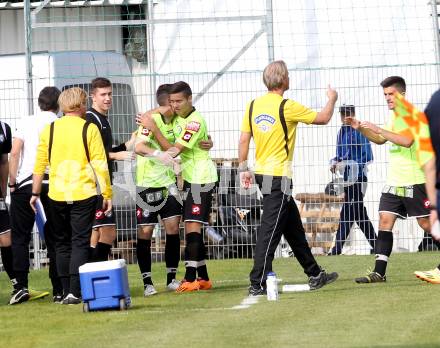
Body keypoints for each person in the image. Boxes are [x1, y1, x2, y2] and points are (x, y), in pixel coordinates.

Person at [238, 60, 339, 296]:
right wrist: (332, 98)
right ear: (284, 80)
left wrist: (244, 168)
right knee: (270, 231)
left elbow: (244, 139)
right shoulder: (287, 106)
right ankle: (258, 282)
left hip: (262, 175)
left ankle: (315, 274)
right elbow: (323, 118)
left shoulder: (253, 106)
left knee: (293, 228)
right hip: (279, 177)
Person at [31, 87, 112, 304]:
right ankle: (75, 292)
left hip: (56, 193)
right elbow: (100, 164)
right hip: (83, 192)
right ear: (81, 105)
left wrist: (35, 192)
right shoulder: (89, 128)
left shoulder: (50, 129)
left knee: (61, 243)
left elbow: (39, 164)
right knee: (79, 242)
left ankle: (64, 290)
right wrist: (107, 192)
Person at [350, 76, 433, 283]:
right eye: (385, 94)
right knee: (385, 220)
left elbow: (406, 141)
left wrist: (379, 129)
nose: (387, 98)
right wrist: (361, 128)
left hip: (414, 181)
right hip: (395, 181)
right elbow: (380, 139)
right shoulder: (394, 116)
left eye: (391, 94)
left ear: (402, 94)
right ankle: (379, 272)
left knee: (426, 224)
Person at [137, 81, 218, 292]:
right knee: (191, 225)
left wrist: (154, 129)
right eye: (172, 102)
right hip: (189, 179)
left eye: (179, 101)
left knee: (192, 225)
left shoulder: (194, 122)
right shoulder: (178, 117)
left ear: (190, 99)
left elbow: (174, 151)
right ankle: (204, 278)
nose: (175, 105)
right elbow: (161, 109)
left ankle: (190, 278)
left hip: (202, 179)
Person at [8, 87, 62, 304]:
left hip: (24, 183)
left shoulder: (26, 120)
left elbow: (15, 152)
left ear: (39, 103)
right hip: (49, 182)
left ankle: (20, 286)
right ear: (58, 104)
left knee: (19, 237)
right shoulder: (57, 123)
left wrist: (12, 182)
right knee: (55, 236)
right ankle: (59, 287)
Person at [134, 84, 183, 296]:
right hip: (147, 184)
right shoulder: (149, 121)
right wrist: (158, 154)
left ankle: (171, 278)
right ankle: (147, 283)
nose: (177, 105)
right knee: (145, 232)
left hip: (168, 184)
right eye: (174, 102)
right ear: (167, 104)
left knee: (173, 229)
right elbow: (138, 147)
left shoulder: (179, 122)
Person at [86, 77, 136, 262]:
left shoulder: (102, 119)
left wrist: (127, 145)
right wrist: (116, 156)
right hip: (95, 184)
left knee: (99, 232)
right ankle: (93, 269)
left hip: (102, 182)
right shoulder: (91, 119)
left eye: (110, 94)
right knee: (107, 232)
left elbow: (105, 151)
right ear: (93, 97)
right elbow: (92, 154)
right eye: (103, 94)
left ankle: (90, 274)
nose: (107, 98)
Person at [328, 104, 376, 255]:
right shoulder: (342, 131)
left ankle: (337, 249)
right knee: (358, 213)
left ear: (354, 114)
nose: (345, 117)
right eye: (342, 114)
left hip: (359, 177)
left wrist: (348, 163)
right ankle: (377, 244)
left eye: (348, 113)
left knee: (349, 212)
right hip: (347, 178)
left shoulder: (360, 129)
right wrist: (334, 162)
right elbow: (340, 154)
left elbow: (368, 157)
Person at [413, 89, 440, 283]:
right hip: (403, 182)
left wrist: (435, 205)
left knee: (426, 222)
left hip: (420, 180)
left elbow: (429, 161)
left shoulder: (434, 102)